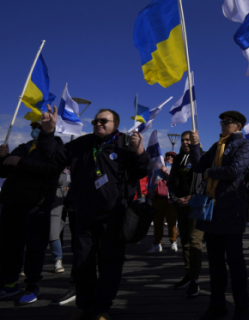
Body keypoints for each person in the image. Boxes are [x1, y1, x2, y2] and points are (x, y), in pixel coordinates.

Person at [37, 106, 150, 320]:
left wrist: (140, 152)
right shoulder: (82, 143)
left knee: (110, 263)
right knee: (82, 263)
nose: (98, 124)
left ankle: (102, 308)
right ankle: (84, 305)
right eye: (95, 121)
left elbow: (142, 171)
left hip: (115, 215)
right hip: (84, 214)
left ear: (115, 124)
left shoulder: (126, 143)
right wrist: (47, 132)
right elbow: (52, 157)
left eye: (103, 121)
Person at [189, 111, 249, 320]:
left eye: (227, 122)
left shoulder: (244, 145)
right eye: (222, 122)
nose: (223, 125)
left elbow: (234, 170)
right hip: (212, 212)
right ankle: (217, 305)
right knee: (215, 263)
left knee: (235, 263)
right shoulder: (216, 146)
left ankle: (242, 308)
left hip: (231, 211)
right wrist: (195, 146)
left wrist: (210, 172)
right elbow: (199, 166)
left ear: (238, 126)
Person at [0, 121, 64, 305]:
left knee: (35, 247)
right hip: (12, 202)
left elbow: (52, 169)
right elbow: (4, 171)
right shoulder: (23, 146)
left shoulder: (55, 147)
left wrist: (20, 162)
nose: (34, 130)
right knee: (9, 246)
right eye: (33, 127)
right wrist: (2, 157)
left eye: (39, 126)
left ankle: (32, 285)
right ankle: (9, 283)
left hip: (37, 204)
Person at [167, 132, 204, 297]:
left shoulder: (201, 157)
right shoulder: (177, 159)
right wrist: (175, 198)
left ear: (195, 140)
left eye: (188, 139)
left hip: (196, 205)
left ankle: (195, 279)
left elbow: (205, 180)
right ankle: (189, 274)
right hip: (181, 205)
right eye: (183, 140)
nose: (185, 142)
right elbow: (171, 182)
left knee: (195, 241)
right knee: (185, 242)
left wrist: (193, 196)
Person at [148, 151, 178, 254]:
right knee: (157, 223)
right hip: (158, 199)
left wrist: (167, 171)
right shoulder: (158, 169)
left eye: (172, 156)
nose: (169, 157)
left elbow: (175, 179)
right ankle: (157, 244)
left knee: (172, 223)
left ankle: (173, 242)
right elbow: (152, 182)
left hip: (171, 200)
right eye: (168, 155)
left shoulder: (176, 168)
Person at [49, 168, 71, 274]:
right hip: (46, 195)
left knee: (54, 232)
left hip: (61, 195)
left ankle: (58, 259)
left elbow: (62, 180)